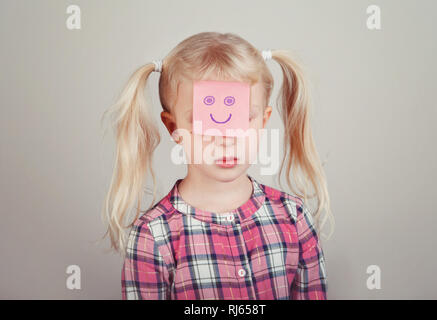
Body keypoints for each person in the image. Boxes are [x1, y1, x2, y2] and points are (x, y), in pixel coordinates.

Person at [101, 32, 334, 300]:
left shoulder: (294, 217)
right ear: (174, 128)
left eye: (243, 118)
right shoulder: (153, 237)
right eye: (206, 122)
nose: (226, 140)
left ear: (262, 121)